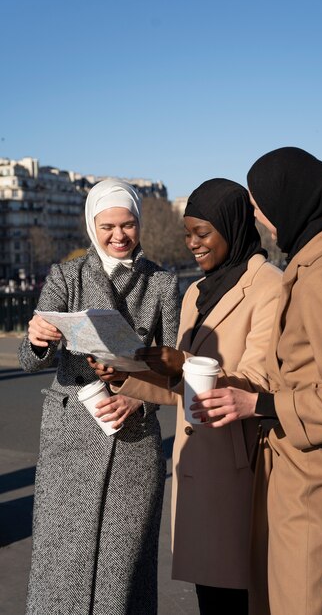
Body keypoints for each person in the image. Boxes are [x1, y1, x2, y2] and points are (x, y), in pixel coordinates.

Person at [191, 148, 322, 615]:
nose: (259, 219)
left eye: (261, 206)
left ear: (290, 199)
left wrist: (261, 404)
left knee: (300, 600)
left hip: (312, 472)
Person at [89, 178, 283, 615]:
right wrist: (123, 374)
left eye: (202, 233)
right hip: (194, 463)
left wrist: (181, 362)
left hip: (238, 465)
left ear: (232, 228)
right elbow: (181, 387)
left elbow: (258, 380)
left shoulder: (269, 285)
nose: (192, 244)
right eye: (187, 233)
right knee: (209, 594)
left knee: (239, 595)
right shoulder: (198, 290)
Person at [18, 178, 179, 615]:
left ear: (140, 223)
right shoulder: (66, 276)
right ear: (92, 226)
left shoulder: (162, 283)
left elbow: (177, 372)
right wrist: (37, 339)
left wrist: (137, 397)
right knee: (60, 566)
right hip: (70, 439)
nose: (119, 236)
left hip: (134, 440)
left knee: (124, 568)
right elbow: (29, 360)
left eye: (128, 225)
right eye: (107, 226)